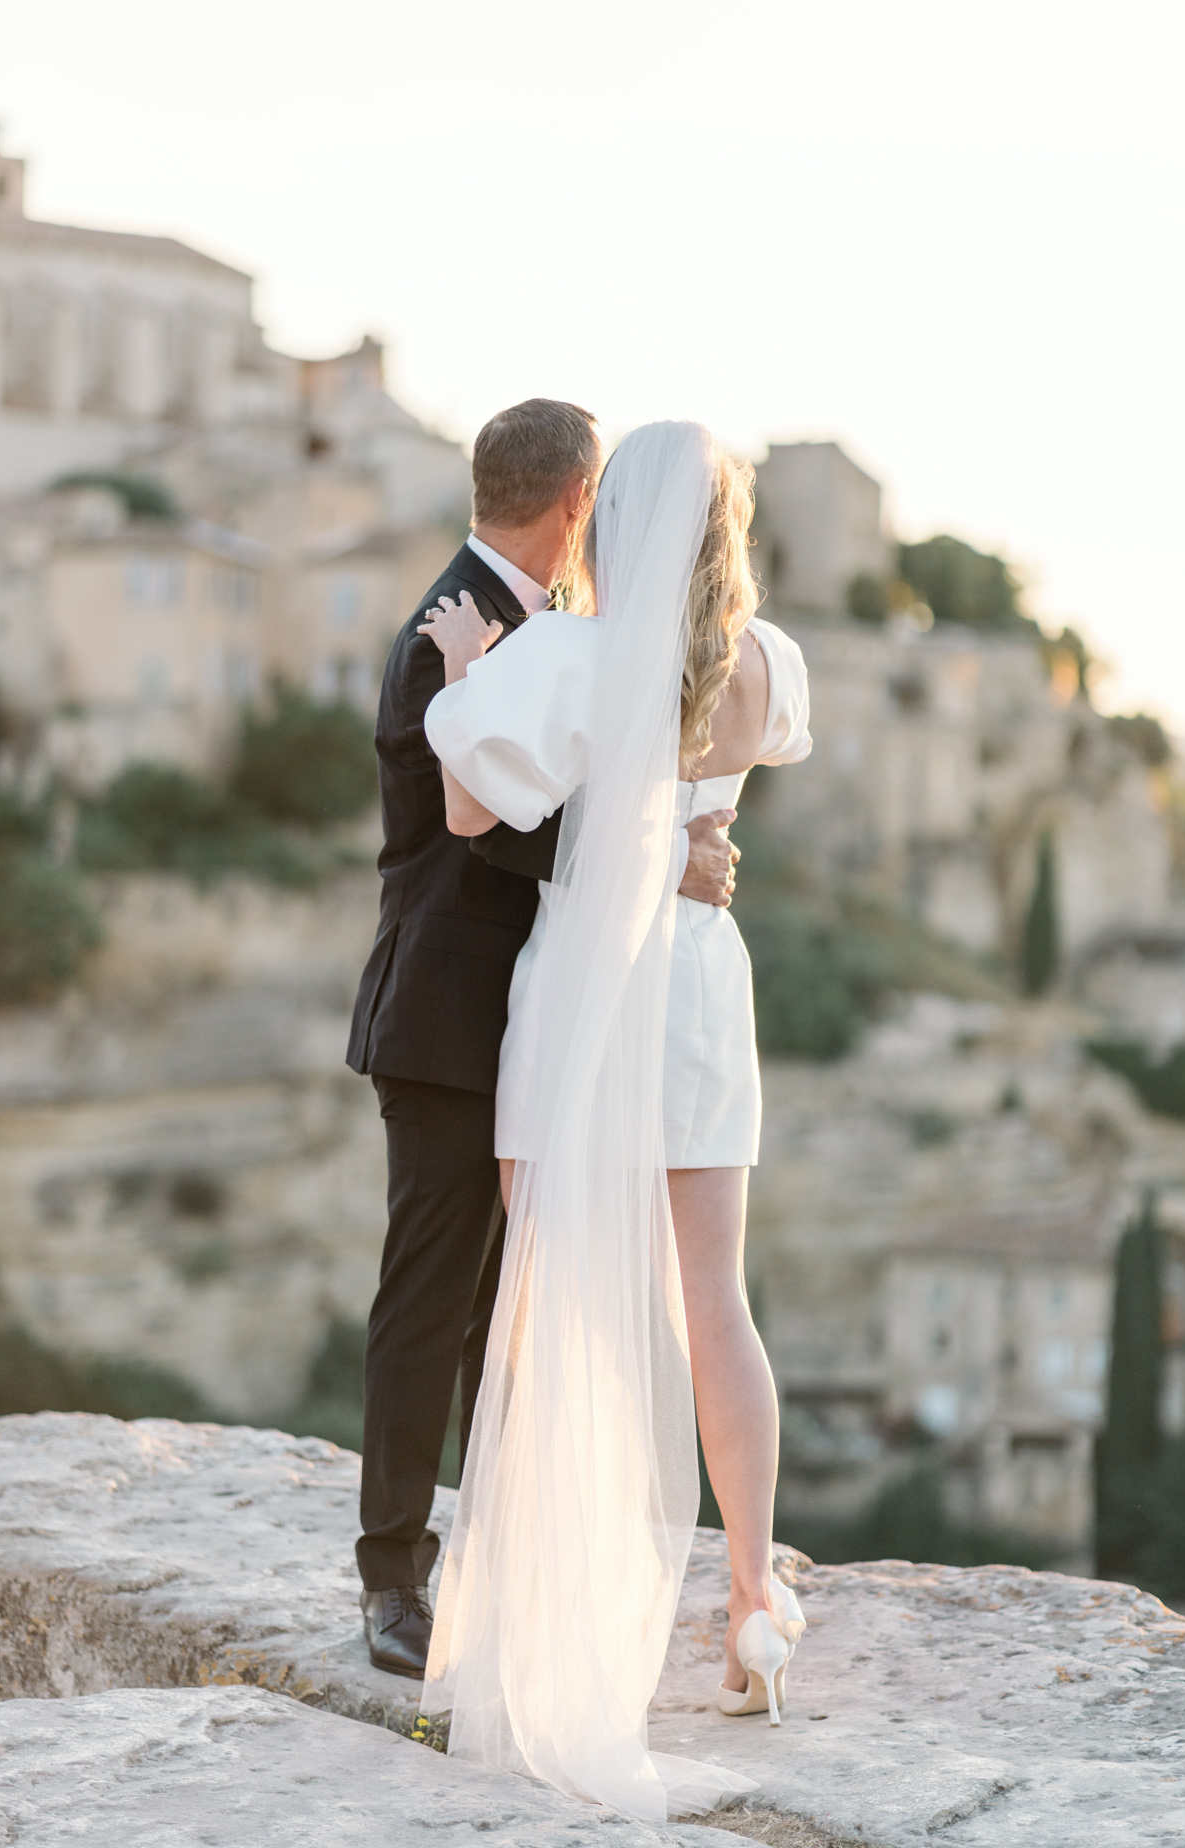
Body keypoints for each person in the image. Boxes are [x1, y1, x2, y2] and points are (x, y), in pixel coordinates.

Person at [416, 422, 814, 1821]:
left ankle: (554, 1607)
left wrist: (468, 682)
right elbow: (748, 764)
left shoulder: (568, 655)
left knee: (556, 1300)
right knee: (716, 1299)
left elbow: (472, 809)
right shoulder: (761, 661)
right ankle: (754, 1601)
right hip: (701, 986)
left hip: (589, 985)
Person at [346, 400, 742, 1679]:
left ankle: (493, 1565)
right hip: (448, 1017)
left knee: (497, 1313)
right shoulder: (441, 638)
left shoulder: (544, 631)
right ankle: (390, 1579)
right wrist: (663, 853)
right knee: (432, 1297)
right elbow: (490, 825)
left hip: (525, 1023)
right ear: (578, 504)